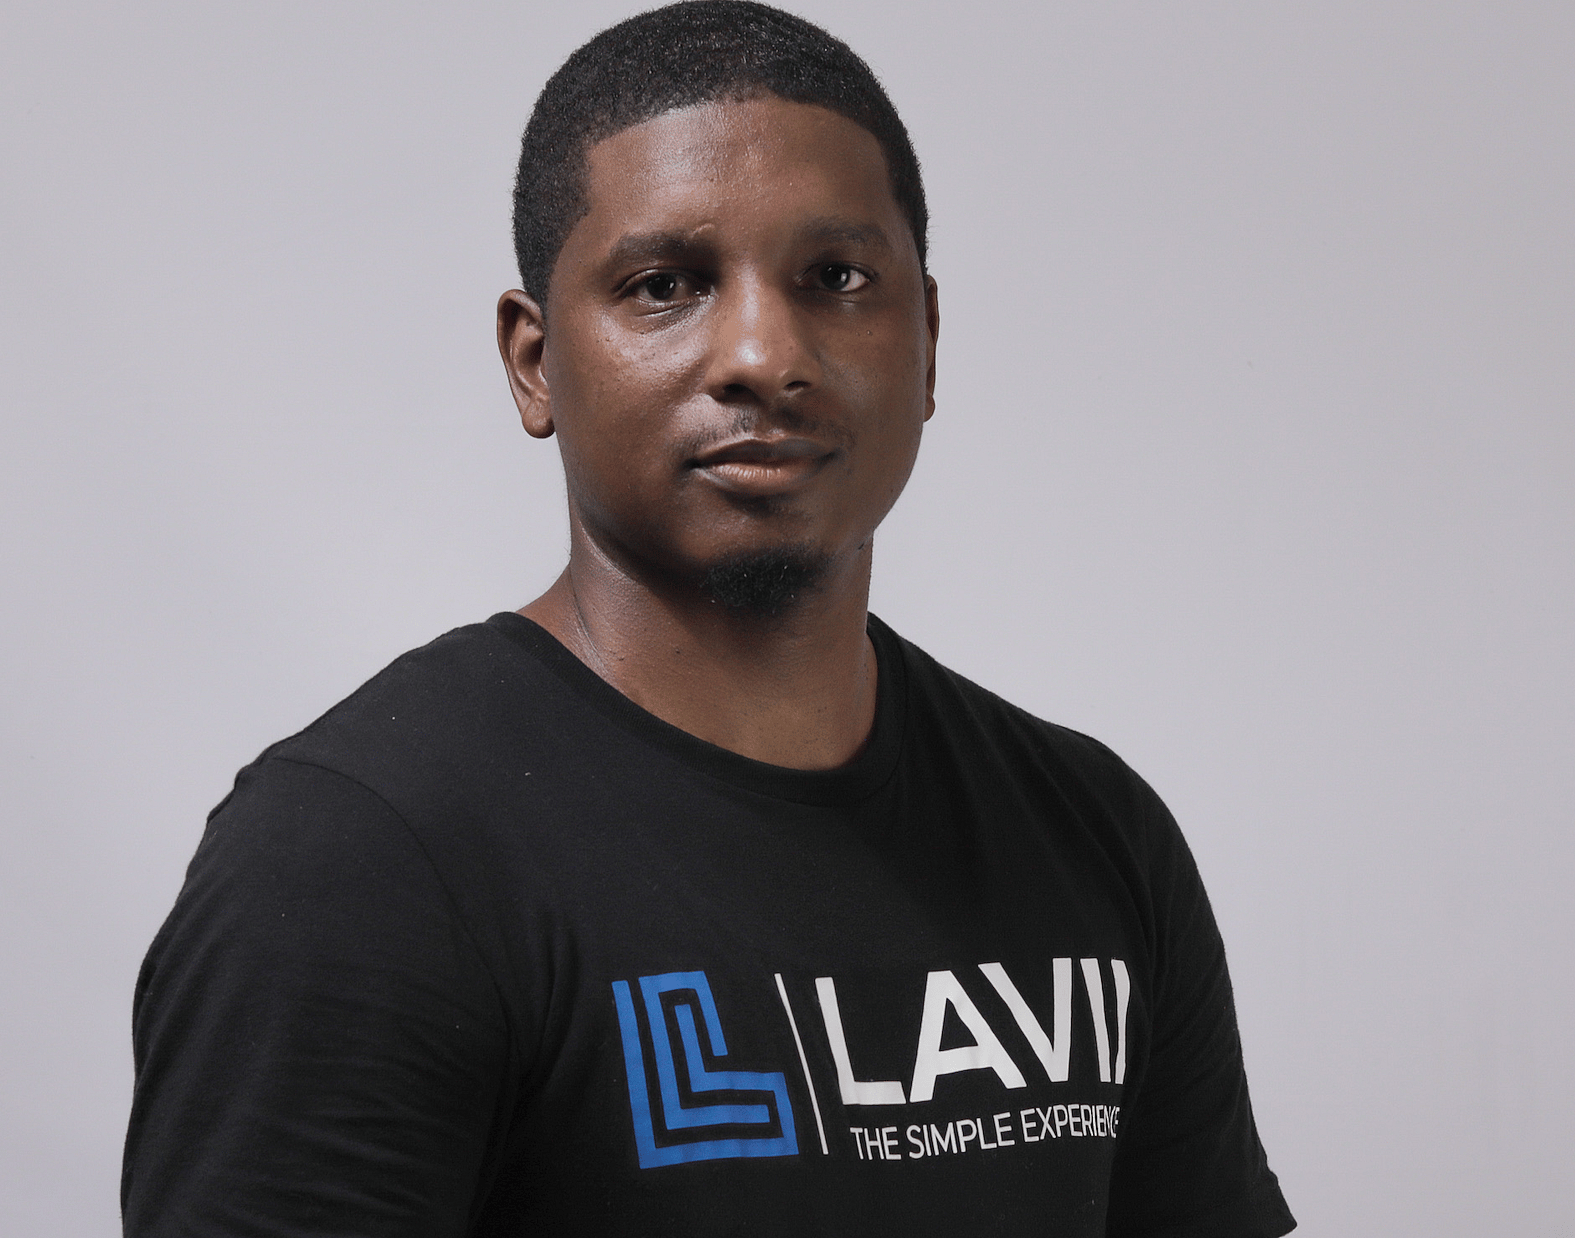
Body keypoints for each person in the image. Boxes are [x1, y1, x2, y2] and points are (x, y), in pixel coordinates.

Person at [122, 3, 1296, 1235]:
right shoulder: (358, 859)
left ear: (927, 341)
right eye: (665, 285)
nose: (761, 353)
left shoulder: (1092, 833)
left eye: (836, 279)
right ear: (533, 361)